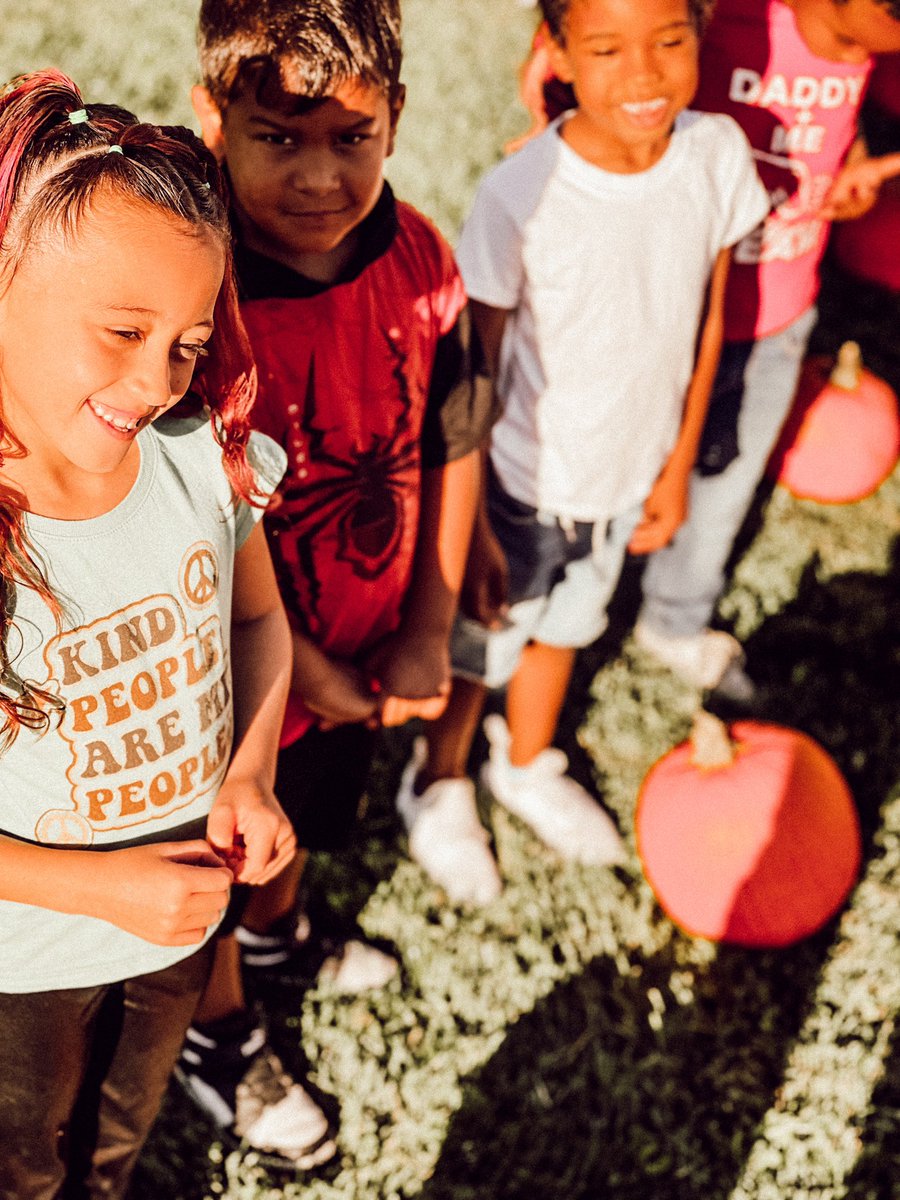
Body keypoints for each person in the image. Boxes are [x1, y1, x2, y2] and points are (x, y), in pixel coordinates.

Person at [180, 0, 493, 1168]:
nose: (319, 176)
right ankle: (218, 1029)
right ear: (215, 114)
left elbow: (452, 431)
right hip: (231, 681)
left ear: (397, 120)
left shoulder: (418, 259)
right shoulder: (193, 289)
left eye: (349, 138)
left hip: (362, 639)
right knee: (215, 859)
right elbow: (183, 522)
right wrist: (299, 666)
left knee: (300, 826)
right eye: (278, 136)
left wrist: (430, 617)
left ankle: (279, 938)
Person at [0, 70, 298, 1200]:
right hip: (23, 961)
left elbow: (260, 619)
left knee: (115, 1151)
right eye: (122, 330)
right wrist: (98, 893)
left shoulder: (195, 462)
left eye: (184, 341)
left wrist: (253, 773)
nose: (157, 378)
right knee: (24, 1167)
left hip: (176, 924)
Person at [395, 0, 771, 893]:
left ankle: (526, 764)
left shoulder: (717, 154)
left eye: (670, 41)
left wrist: (675, 467)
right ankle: (437, 780)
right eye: (606, 49)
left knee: (568, 626)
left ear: (703, 32)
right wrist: (474, 520)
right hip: (522, 484)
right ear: (556, 51)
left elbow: (711, 319)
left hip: (625, 480)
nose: (642, 75)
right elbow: (474, 367)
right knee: (480, 647)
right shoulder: (523, 193)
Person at [634, 0, 900, 691]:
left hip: (782, 312)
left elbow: (840, 127)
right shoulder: (729, 19)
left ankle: (674, 618)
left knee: (727, 476)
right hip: (674, 307)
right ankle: (571, 602)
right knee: (628, 460)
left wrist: (859, 164)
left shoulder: (861, 43)